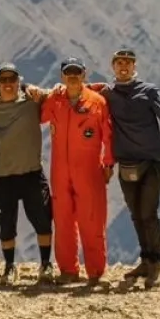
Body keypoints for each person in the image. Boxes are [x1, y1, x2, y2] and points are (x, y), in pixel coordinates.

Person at [88, 49, 160, 286]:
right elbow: (81, 91)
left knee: (148, 213)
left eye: (128, 63)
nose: (123, 67)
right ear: (113, 66)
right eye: (119, 63)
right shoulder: (108, 93)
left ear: (134, 66)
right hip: (126, 161)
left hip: (151, 160)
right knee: (135, 214)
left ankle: (156, 264)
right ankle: (145, 260)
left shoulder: (149, 91)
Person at [40, 59, 114, 283]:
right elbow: (39, 116)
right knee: (63, 221)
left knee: (91, 220)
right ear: (62, 76)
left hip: (89, 171)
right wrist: (41, 92)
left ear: (84, 75)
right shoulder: (55, 100)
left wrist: (108, 162)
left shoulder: (97, 102)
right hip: (60, 171)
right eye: (68, 73)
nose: (72, 77)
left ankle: (96, 272)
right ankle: (68, 271)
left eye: (77, 73)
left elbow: (109, 135)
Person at [0, 63, 52, 283]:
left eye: (11, 80)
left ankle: (45, 265)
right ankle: (10, 267)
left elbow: (57, 94)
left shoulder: (32, 103)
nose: (7, 85)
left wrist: (33, 88)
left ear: (18, 82)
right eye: (2, 80)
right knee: (6, 224)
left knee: (42, 220)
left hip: (32, 173)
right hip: (5, 176)